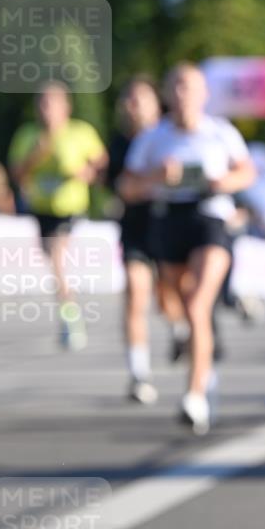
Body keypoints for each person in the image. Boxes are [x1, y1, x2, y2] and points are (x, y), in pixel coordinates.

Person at [120, 62, 256, 433]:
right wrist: (156, 178)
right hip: (169, 219)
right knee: (177, 306)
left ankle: (194, 397)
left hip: (210, 217)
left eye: (190, 87)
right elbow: (127, 188)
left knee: (198, 304)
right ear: (167, 94)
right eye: (176, 87)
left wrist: (221, 181)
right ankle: (205, 368)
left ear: (204, 95)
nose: (183, 95)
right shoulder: (152, 137)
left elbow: (247, 172)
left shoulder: (220, 133)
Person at [8, 82, 108, 350]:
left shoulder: (80, 132)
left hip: (70, 208)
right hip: (41, 210)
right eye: (41, 104)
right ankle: (69, 308)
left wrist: (87, 174)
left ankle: (70, 319)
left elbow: (102, 165)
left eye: (51, 103)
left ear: (65, 106)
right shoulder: (28, 135)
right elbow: (17, 175)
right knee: (54, 265)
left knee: (57, 258)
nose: (46, 110)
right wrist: (35, 155)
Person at [108, 76, 167, 404]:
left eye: (140, 99)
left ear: (155, 104)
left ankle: (180, 331)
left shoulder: (172, 136)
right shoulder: (119, 144)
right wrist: (155, 181)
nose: (134, 106)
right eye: (128, 100)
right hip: (135, 227)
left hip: (172, 224)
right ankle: (138, 372)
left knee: (172, 297)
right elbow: (121, 189)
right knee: (135, 292)